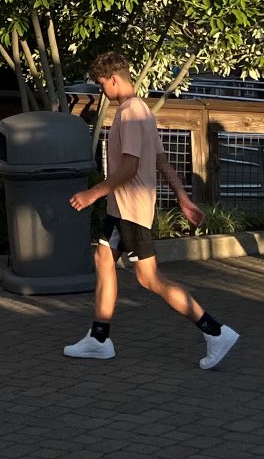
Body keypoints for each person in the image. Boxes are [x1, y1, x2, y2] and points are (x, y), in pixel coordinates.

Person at [62, 53, 239, 370]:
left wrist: (92, 193)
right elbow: (161, 161)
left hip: (132, 210)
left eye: (102, 84)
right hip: (121, 209)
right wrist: (183, 198)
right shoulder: (141, 110)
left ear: (114, 79)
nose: (102, 91)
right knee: (103, 258)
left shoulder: (131, 113)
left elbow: (130, 168)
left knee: (149, 278)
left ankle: (215, 331)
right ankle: (99, 339)